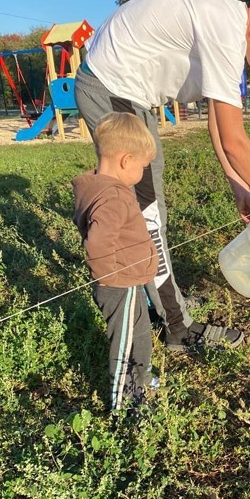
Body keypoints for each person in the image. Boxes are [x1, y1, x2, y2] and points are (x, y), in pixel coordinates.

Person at [75, 0, 250, 351]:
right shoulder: (225, 31)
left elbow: (217, 125)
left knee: (146, 203)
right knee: (148, 212)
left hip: (124, 90)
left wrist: (239, 188)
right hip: (112, 86)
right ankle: (177, 327)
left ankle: (164, 303)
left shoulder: (230, 26)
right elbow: (236, 139)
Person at [72, 112, 161, 412]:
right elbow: (97, 242)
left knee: (139, 333)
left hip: (130, 281)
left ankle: (142, 377)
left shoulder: (106, 189)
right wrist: (110, 275)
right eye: (141, 166)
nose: (142, 171)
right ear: (125, 160)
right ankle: (123, 401)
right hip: (118, 284)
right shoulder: (112, 198)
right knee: (123, 341)